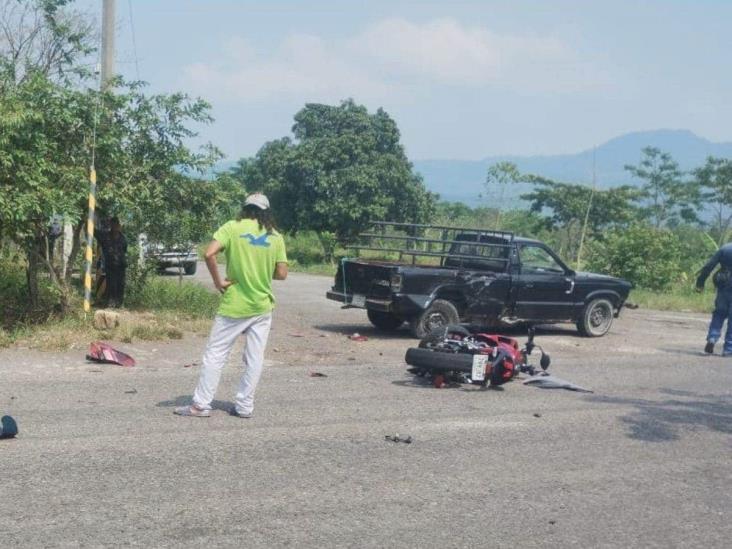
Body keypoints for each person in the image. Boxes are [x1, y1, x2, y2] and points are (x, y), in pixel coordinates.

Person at [175, 193, 288, 418]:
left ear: (245, 209)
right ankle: (245, 407)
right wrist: (261, 270)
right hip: (262, 305)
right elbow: (282, 273)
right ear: (266, 212)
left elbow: (208, 254)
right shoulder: (275, 236)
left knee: (215, 354)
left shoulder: (232, 227)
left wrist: (218, 281)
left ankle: (200, 405)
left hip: (234, 305)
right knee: (254, 358)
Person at [696, 242, 732, 356]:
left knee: (719, 313)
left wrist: (700, 282)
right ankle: (728, 349)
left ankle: (712, 338)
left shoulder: (726, 248)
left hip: (724, 284)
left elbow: (709, 266)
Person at [99, 217, 128, 308]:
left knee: (120, 284)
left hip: (121, 265)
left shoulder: (123, 238)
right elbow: (94, 232)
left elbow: (124, 249)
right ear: (111, 225)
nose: (115, 226)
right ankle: (111, 302)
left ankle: (119, 303)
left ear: (119, 225)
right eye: (113, 224)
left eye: (117, 224)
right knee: (111, 284)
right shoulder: (105, 236)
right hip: (110, 265)